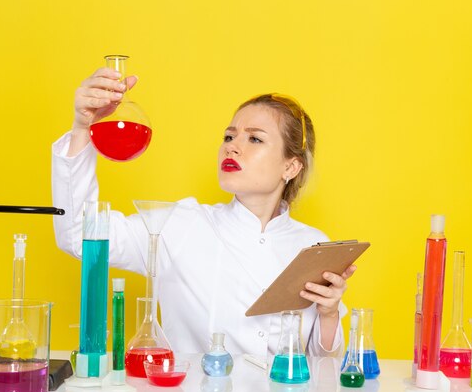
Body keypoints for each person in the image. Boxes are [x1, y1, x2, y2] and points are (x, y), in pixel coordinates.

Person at [52, 67, 357, 357]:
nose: (232, 147)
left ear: (290, 166)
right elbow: (79, 234)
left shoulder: (314, 245)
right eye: (229, 136)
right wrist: (82, 128)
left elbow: (324, 368)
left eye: (254, 138)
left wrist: (329, 313)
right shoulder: (179, 225)